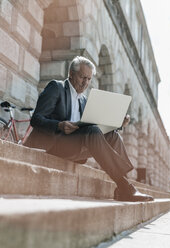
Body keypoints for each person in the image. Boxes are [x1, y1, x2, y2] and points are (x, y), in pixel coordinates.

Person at [24, 56, 153, 202]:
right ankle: (125, 187)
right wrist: (59, 125)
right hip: (55, 145)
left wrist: (117, 124)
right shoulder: (56, 87)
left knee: (113, 135)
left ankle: (122, 185)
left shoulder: (85, 100)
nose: (85, 83)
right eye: (82, 77)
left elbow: (91, 126)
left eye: (89, 79)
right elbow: (36, 119)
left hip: (76, 148)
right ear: (71, 74)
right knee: (92, 131)